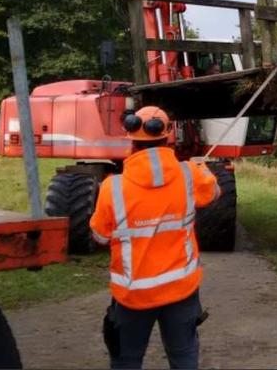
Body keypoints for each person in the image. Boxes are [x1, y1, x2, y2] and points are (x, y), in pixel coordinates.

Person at [90, 106, 220, 369]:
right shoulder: (189, 174)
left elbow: (99, 237)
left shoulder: (111, 188)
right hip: (181, 291)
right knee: (184, 359)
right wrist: (202, 169)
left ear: (131, 139)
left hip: (132, 297)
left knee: (126, 360)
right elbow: (215, 193)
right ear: (167, 135)